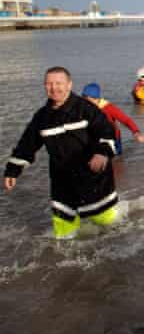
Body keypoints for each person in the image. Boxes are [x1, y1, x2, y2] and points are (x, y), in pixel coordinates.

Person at [4, 67, 118, 239]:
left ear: (69, 85)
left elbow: (107, 130)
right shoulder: (41, 117)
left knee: (108, 225)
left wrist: (102, 153)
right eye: (49, 84)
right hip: (61, 179)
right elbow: (27, 144)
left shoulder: (85, 108)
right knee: (63, 229)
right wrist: (13, 170)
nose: (54, 88)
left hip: (92, 175)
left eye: (59, 83)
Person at [82, 83, 144, 155]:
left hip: (113, 138)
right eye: (85, 100)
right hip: (95, 137)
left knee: (116, 158)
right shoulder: (82, 107)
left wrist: (136, 132)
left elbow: (126, 120)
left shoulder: (108, 107)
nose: (87, 104)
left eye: (90, 101)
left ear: (97, 99)